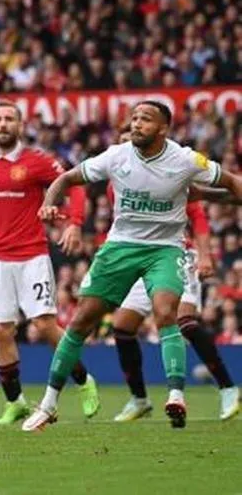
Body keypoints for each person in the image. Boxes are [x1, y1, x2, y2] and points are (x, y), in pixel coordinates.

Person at [25, 100, 242, 431]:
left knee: (168, 313)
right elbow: (66, 179)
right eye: (135, 118)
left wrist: (210, 232)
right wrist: (48, 204)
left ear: (163, 128)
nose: (137, 123)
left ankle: (178, 395)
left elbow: (227, 183)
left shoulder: (185, 160)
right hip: (120, 248)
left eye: (146, 119)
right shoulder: (116, 156)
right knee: (83, 320)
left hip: (165, 250)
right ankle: (50, 404)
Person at [0, 100, 100, 425]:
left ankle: (84, 380)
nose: (3, 124)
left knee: (45, 326)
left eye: (9, 119)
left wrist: (74, 222)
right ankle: (15, 401)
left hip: (32, 256)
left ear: (20, 126)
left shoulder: (37, 162)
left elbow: (75, 185)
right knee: (2, 331)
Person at [106, 129, 240, 423]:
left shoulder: (169, 172)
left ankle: (228, 388)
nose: (127, 144)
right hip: (137, 258)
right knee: (122, 327)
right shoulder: (116, 179)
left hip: (176, 253)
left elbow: (198, 215)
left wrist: (205, 255)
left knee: (185, 322)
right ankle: (139, 399)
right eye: (123, 140)